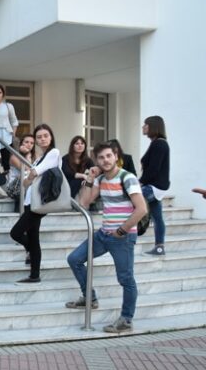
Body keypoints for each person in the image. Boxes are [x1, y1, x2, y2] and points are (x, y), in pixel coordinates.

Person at [67, 141, 147, 333]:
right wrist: (89, 177)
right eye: (101, 157)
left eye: (109, 156)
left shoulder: (127, 178)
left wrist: (121, 230)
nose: (105, 160)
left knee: (126, 279)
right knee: (75, 259)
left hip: (123, 237)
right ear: (96, 160)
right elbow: (84, 203)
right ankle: (90, 298)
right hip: (103, 235)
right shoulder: (101, 179)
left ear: (116, 155)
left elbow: (142, 209)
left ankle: (126, 319)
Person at [9, 124, 60, 283]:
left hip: (40, 203)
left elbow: (35, 173)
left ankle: (31, 252)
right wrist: (30, 177)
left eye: (45, 135)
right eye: (39, 137)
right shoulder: (39, 157)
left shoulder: (54, 152)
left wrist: (31, 176)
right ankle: (34, 274)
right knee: (33, 237)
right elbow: (25, 182)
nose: (42, 139)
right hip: (30, 201)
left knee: (15, 233)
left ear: (51, 137)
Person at [139, 115, 170, 256]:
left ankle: (122, 238)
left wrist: (140, 182)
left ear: (153, 126)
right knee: (157, 218)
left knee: (127, 203)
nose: (143, 127)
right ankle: (159, 247)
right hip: (157, 187)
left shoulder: (159, 144)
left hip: (153, 186)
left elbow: (154, 169)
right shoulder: (158, 143)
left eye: (145, 124)